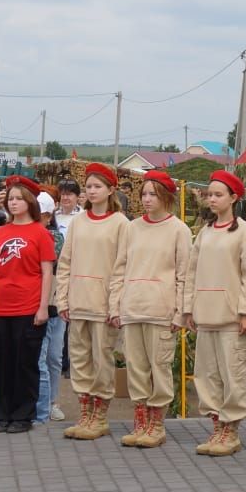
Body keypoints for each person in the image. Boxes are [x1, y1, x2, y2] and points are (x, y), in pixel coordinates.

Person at [183, 169, 246, 457]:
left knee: (232, 373)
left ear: (233, 198)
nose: (211, 199)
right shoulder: (203, 232)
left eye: (218, 195)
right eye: (209, 194)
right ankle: (216, 426)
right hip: (205, 314)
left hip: (231, 318)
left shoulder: (245, 232)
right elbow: (192, 272)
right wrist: (189, 308)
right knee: (206, 374)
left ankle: (231, 430)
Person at [116, 169, 191, 448]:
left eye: (153, 194)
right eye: (144, 194)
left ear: (166, 197)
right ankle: (140, 421)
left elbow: (184, 274)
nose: (147, 199)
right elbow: (120, 268)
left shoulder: (179, 230)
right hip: (133, 307)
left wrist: (180, 311)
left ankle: (156, 424)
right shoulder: (132, 227)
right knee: (136, 367)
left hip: (161, 310)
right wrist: (118, 303)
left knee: (159, 367)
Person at [55, 164, 128, 440]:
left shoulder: (121, 224)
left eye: (98, 186)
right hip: (78, 302)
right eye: (89, 187)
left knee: (102, 360)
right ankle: (84, 413)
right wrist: (62, 299)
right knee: (79, 359)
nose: (92, 191)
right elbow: (66, 263)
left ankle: (100, 417)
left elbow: (122, 266)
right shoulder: (78, 222)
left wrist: (115, 305)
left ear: (111, 190)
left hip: (104, 306)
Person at [0, 176, 55, 433]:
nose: (13, 203)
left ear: (30, 202)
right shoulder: (1, 232)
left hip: (28, 307)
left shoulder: (41, 233)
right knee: (0, 363)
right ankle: (3, 414)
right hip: (0, 306)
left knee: (25, 364)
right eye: (10, 199)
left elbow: (47, 272)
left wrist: (43, 307)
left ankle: (24, 415)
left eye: (18, 199)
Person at [33, 190, 67, 426]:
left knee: (53, 357)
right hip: (31, 304)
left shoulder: (55, 237)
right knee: (35, 357)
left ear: (48, 216)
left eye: (40, 214)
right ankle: (35, 400)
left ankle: (52, 401)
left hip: (55, 304)